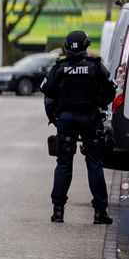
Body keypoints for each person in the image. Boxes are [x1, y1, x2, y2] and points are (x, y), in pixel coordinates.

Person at [40, 30, 117, 224]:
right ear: (86, 45)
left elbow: (48, 94)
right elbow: (111, 89)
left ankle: (58, 211)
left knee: (64, 163)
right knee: (94, 165)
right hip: (91, 120)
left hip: (66, 120)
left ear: (66, 46)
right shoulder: (96, 67)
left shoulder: (59, 68)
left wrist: (55, 118)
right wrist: (99, 106)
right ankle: (100, 213)